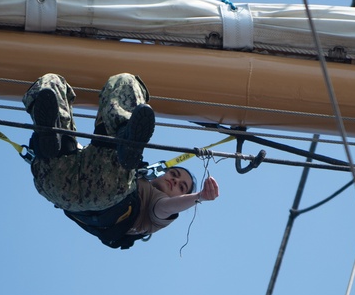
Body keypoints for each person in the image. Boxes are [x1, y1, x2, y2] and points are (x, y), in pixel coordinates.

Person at [23, 72, 219, 249]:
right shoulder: (138, 179)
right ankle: (51, 136)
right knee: (52, 82)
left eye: (182, 187)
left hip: (106, 191)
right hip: (58, 185)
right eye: (175, 174)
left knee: (127, 82)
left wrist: (199, 197)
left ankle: (122, 134)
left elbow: (167, 207)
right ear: (164, 172)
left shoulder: (156, 209)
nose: (175, 181)